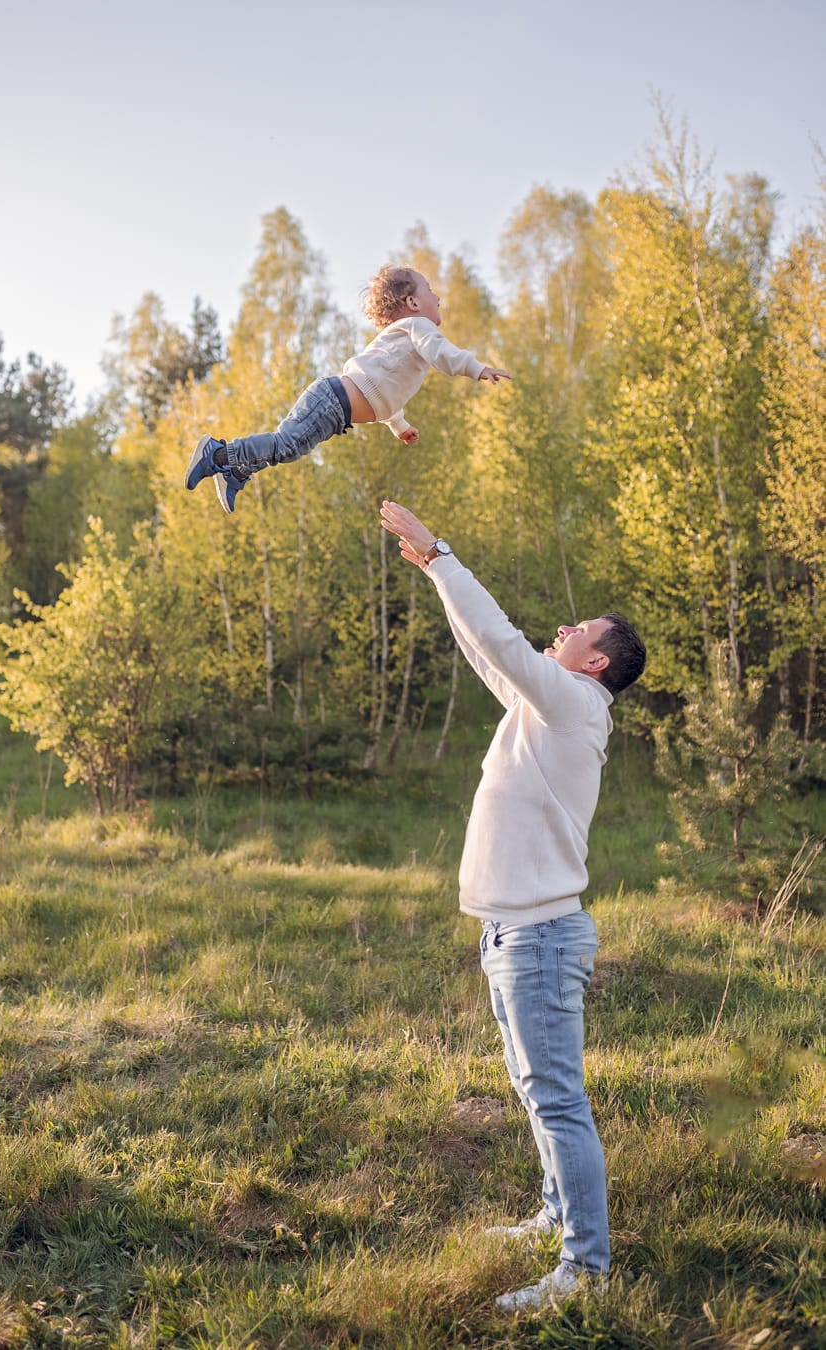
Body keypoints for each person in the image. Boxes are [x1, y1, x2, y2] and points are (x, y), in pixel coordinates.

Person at [379, 499, 646, 1314]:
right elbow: (487, 654)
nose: (560, 631)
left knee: (558, 1100)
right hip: (513, 934)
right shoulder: (547, 706)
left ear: (593, 664)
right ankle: (554, 1216)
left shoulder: (571, 704)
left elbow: (499, 640)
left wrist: (442, 553)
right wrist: (433, 574)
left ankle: (584, 1270)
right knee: (539, 1094)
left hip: (537, 939)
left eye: (575, 631)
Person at [184, 266, 510, 513]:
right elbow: (443, 353)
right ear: (412, 302)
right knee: (287, 444)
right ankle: (218, 453)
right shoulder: (419, 327)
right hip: (331, 401)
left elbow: (384, 391)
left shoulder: (402, 343)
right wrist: (476, 368)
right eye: (430, 291)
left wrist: (398, 424)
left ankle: (235, 470)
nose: (438, 297)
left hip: (335, 408)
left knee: (290, 449)